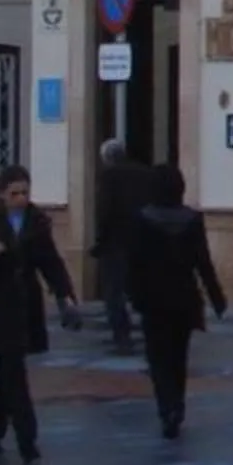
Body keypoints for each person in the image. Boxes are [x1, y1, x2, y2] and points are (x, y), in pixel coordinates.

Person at [0, 164, 78, 463]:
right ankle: (27, 440)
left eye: (25, 192)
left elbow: (51, 263)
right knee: (14, 374)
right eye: (14, 193)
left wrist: (65, 296)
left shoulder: (36, 222)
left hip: (25, 307)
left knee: (7, 372)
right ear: (2, 194)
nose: (21, 198)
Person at [125, 163, 225, 439]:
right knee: (178, 357)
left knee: (157, 358)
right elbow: (203, 263)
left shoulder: (142, 219)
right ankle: (176, 405)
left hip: (153, 298)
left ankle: (166, 406)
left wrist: (132, 295)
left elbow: (135, 263)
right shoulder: (192, 220)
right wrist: (217, 297)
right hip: (184, 297)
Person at [90, 137, 149, 352]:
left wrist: (100, 240)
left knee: (113, 292)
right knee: (141, 289)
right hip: (141, 241)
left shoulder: (109, 177)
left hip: (115, 242)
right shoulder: (144, 173)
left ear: (106, 159)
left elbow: (105, 211)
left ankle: (122, 336)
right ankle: (149, 329)